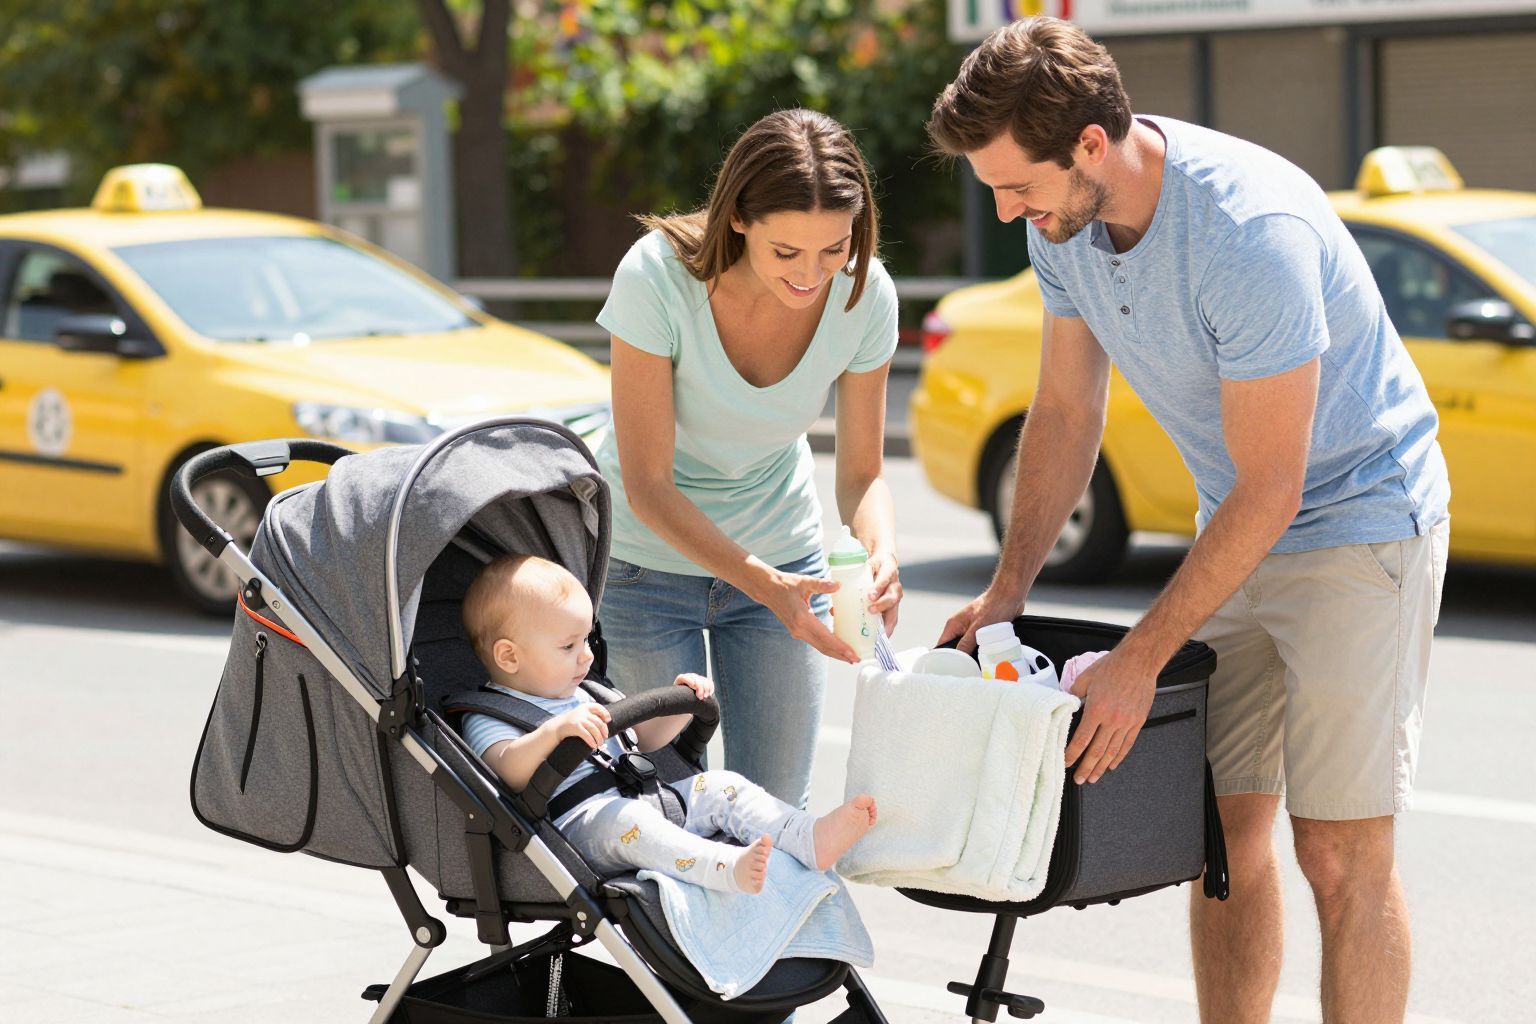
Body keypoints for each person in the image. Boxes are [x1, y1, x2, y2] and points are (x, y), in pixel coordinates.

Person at [928, 18, 1449, 1024]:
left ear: (1090, 144)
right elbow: (1070, 412)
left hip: (1361, 520)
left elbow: (1276, 486)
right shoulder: (1065, 226)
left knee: (1339, 850)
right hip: (1238, 523)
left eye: (1016, 184)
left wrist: (1140, 659)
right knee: (1220, 838)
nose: (1004, 212)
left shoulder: (1247, 234)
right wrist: (1008, 589)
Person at [594, 108, 904, 809]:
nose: (813, 275)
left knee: (775, 812)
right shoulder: (657, 278)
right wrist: (766, 585)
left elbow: (862, 473)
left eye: (834, 249)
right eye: (787, 252)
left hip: (782, 565)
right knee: (676, 810)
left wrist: (881, 550)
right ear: (738, 218)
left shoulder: (865, 293)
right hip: (647, 570)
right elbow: (647, 484)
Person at [458, 554, 879, 893]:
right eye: (568, 646)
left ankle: (807, 835)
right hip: (580, 830)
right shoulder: (492, 714)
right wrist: (554, 732)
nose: (586, 656)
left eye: (586, 639)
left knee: (719, 785)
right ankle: (722, 867)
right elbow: (505, 770)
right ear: (509, 656)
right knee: (627, 821)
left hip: (646, 799)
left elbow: (642, 741)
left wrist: (679, 706)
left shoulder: (586, 692)